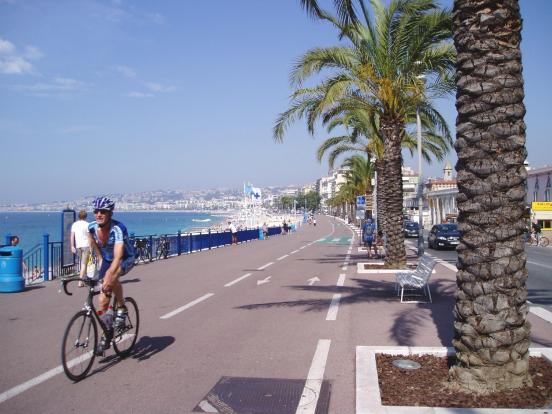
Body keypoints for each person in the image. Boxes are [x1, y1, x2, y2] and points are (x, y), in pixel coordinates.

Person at [88, 196, 135, 355]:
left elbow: (118, 255)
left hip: (125, 258)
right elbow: (91, 241)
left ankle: (122, 306)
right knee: (102, 299)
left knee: (112, 277)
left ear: (110, 213)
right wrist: (100, 259)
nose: (99, 214)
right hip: (107, 259)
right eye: (96, 211)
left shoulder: (118, 228)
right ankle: (106, 334)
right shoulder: (92, 228)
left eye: (103, 211)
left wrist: (109, 273)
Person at [71, 210, 90, 287]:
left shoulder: (75, 224)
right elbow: (89, 237)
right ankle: (80, 281)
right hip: (86, 245)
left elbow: (72, 236)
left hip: (78, 246)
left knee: (83, 263)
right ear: (85, 216)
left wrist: (72, 246)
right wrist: (92, 247)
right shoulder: (87, 224)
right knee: (84, 264)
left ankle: (84, 280)